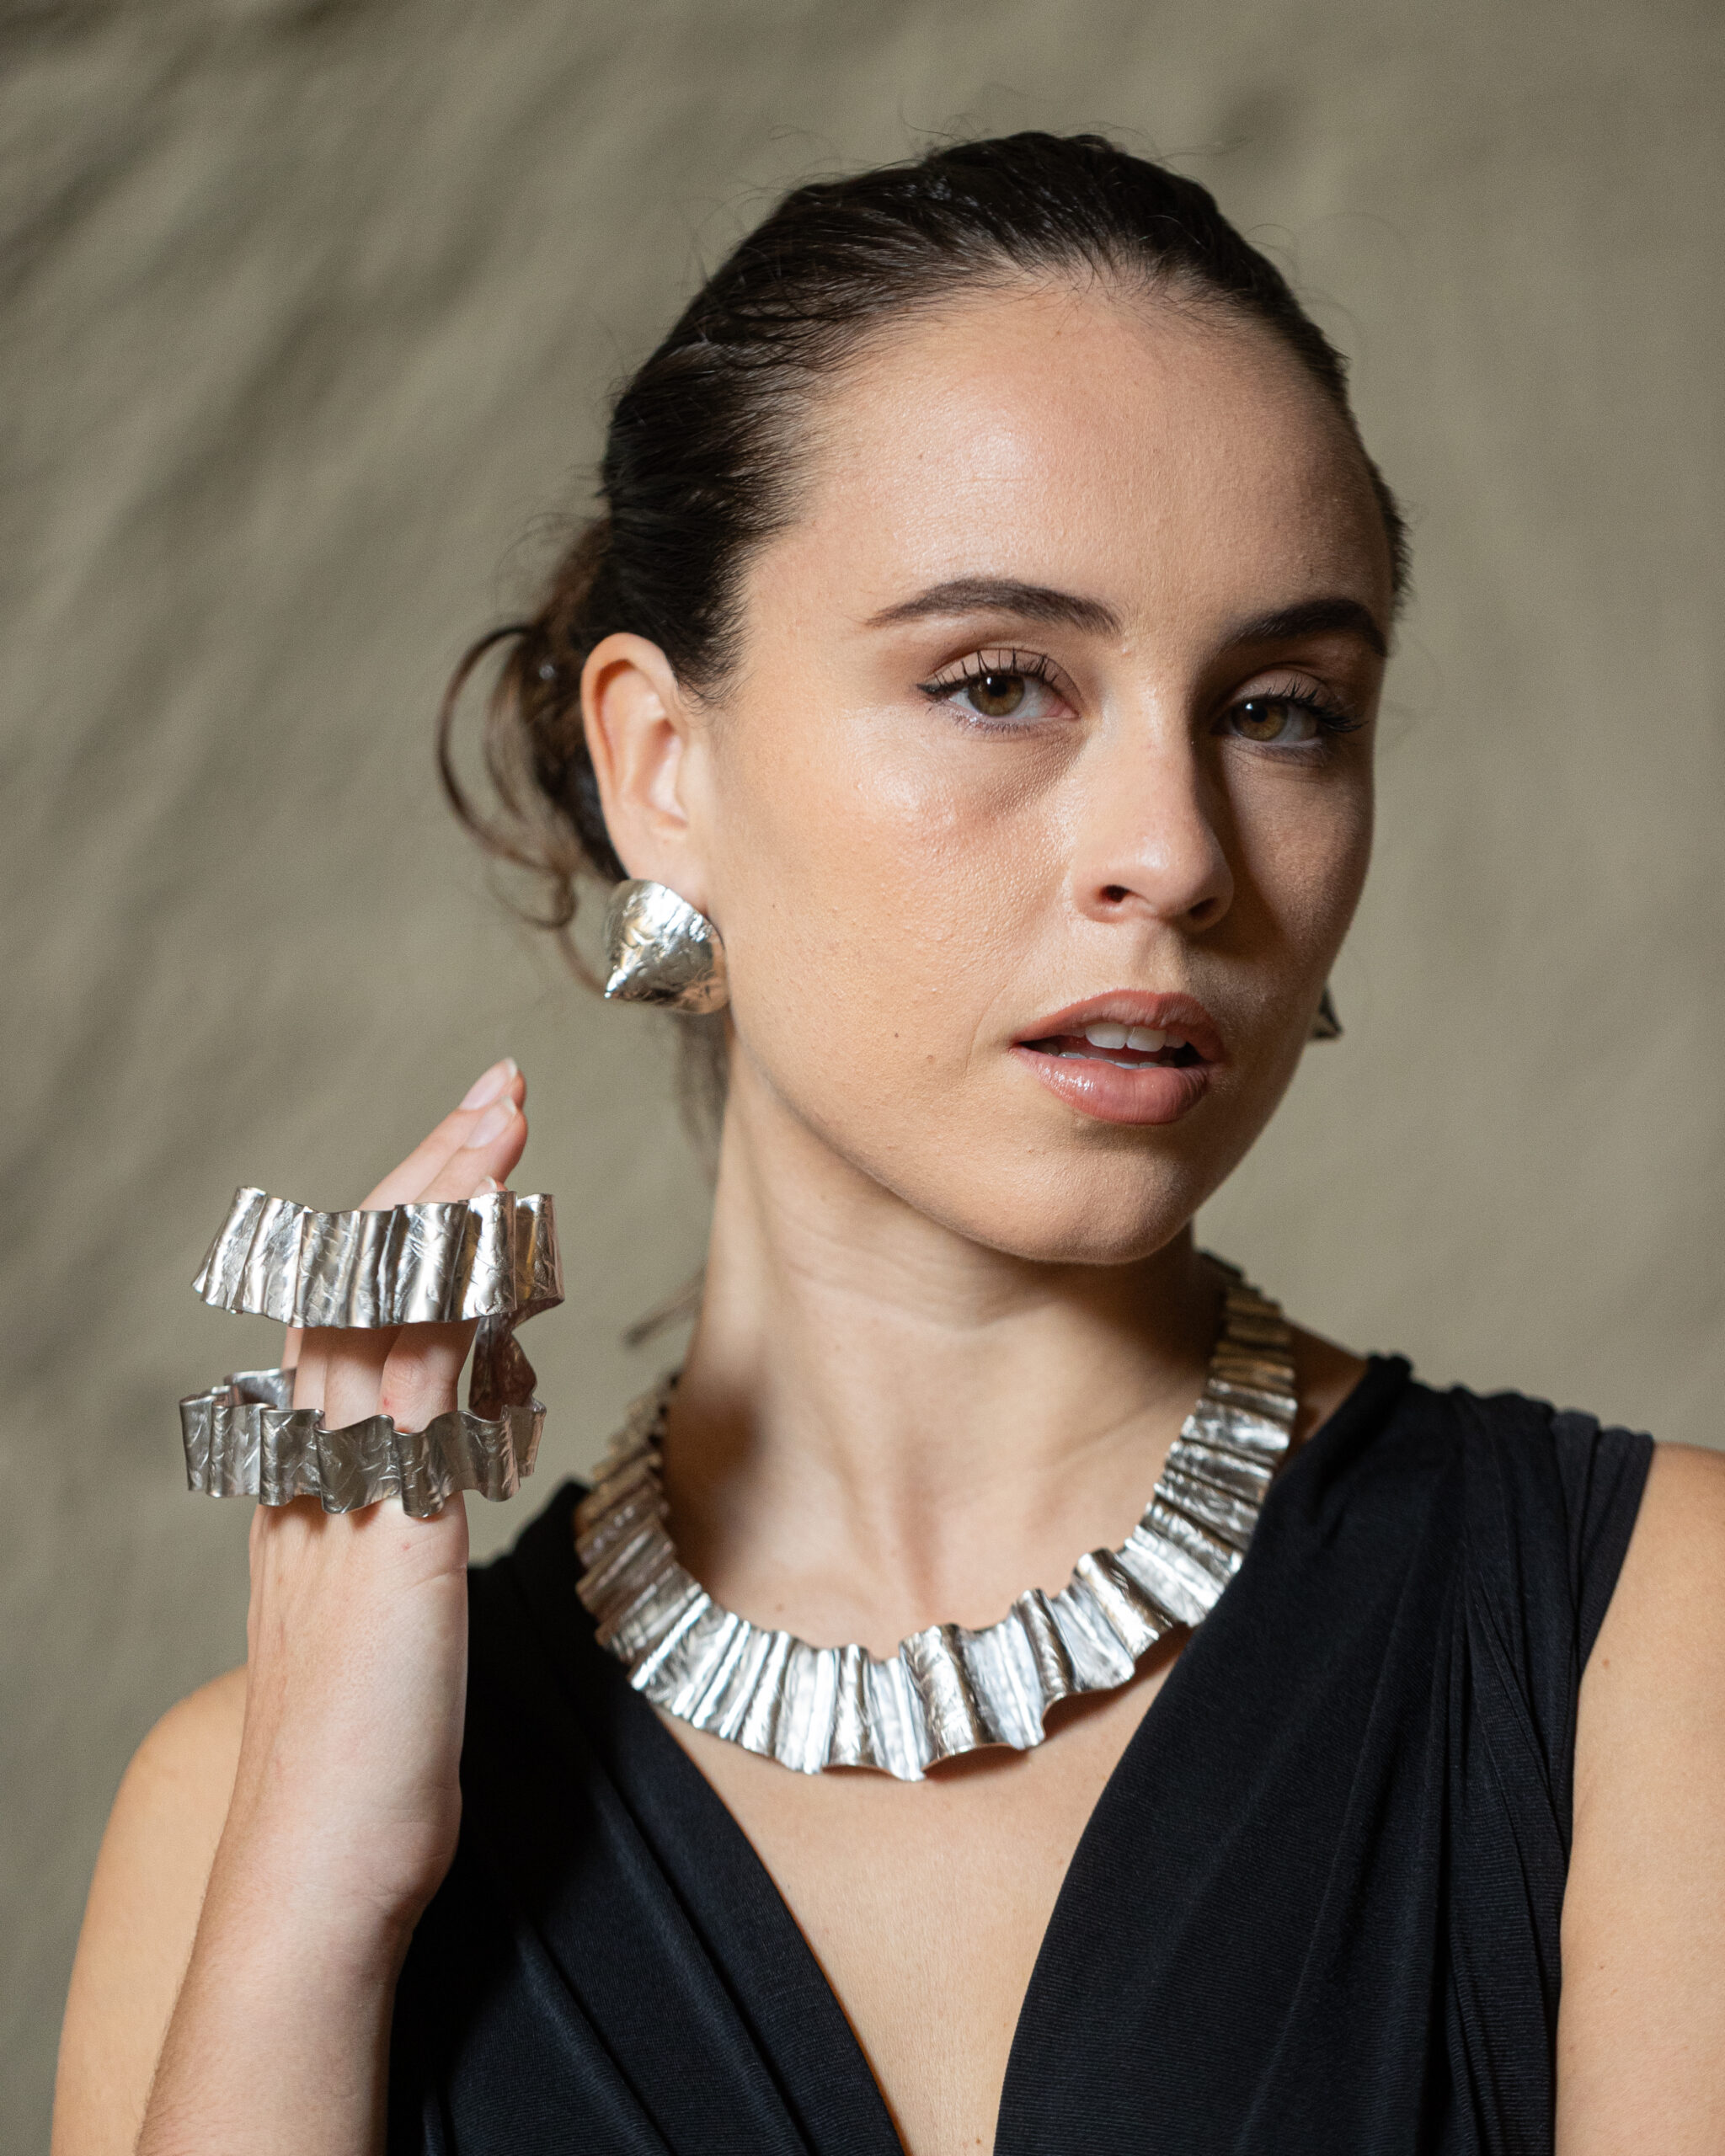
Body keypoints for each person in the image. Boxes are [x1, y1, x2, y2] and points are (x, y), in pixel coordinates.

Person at [51, 133, 1725, 2156]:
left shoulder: (1657, 1639)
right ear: (660, 767)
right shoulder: (246, 1810)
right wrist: (320, 1896)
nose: (1175, 850)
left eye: (1282, 708)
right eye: (999, 681)